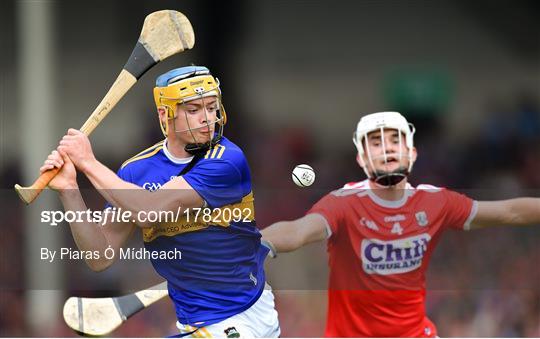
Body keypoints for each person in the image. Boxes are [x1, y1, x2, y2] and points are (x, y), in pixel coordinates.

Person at [40, 66, 280, 337]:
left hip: (242, 314)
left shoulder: (227, 160)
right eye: (193, 110)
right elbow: (99, 256)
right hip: (193, 322)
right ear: (165, 114)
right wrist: (69, 190)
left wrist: (87, 162)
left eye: (212, 107)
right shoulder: (136, 172)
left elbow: (149, 211)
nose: (207, 119)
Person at [261, 111, 540, 337]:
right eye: (376, 143)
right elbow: (299, 231)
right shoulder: (343, 204)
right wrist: (255, 242)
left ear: (412, 153)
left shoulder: (435, 202)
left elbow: (510, 211)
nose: (387, 148)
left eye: (395, 140)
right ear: (362, 158)